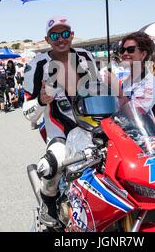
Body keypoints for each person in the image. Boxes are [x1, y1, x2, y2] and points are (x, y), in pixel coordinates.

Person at [23, 16, 98, 225]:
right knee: (52, 164)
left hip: (91, 126)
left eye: (65, 33)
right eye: (55, 35)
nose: (61, 39)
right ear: (48, 39)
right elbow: (27, 113)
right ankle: (48, 201)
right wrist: (41, 100)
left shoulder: (85, 57)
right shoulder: (37, 65)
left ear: (72, 35)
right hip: (58, 131)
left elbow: (98, 90)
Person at [118, 32, 155, 117]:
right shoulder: (125, 81)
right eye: (122, 50)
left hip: (145, 130)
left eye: (130, 49)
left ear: (143, 54)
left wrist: (117, 90)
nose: (124, 54)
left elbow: (135, 115)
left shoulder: (152, 83)